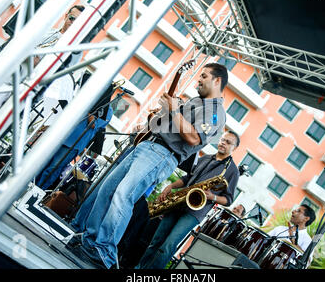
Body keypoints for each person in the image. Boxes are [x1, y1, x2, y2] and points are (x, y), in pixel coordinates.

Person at [67, 62, 228, 269]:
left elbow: (194, 138)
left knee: (123, 195)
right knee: (107, 191)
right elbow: (168, 124)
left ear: (217, 81)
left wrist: (174, 111)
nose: (199, 79)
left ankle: (104, 252)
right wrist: (160, 115)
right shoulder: (195, 102)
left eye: (204, 76)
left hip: (162, 154)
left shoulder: (216, 112)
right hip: (147, 146)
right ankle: (90, 242)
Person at [136, 130, 240, 269]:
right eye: (222, 139)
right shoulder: (205, 158)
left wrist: (212, 197)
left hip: (195, 212)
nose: (223, 143)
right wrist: (171, 186)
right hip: (179, 203)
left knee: (168, 246)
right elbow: (187, 179)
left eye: (228, 142)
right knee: (156, 241)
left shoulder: (233, 170)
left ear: (235, 148)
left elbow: (229, 199)